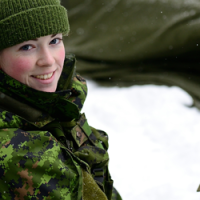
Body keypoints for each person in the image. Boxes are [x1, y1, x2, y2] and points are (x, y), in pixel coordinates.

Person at [0, 0, 122, 199]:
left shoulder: (55, 107)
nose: (48, 60)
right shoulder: (12, 151)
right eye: (27, 46)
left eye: (54, 41)